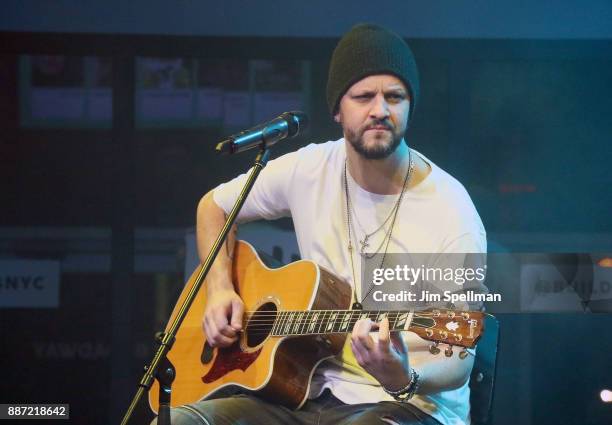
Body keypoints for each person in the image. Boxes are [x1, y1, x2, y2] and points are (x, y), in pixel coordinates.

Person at [159, 23, 486, 425]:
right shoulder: (311, 168)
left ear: (410, 106)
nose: (380, 110)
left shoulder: (450, 209)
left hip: (408, 406)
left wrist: (405, 376)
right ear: (337, 109)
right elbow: (214, 207)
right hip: (304, 394)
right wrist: (220, 290)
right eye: (364, 96)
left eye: (395, 97)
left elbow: (461, 359)